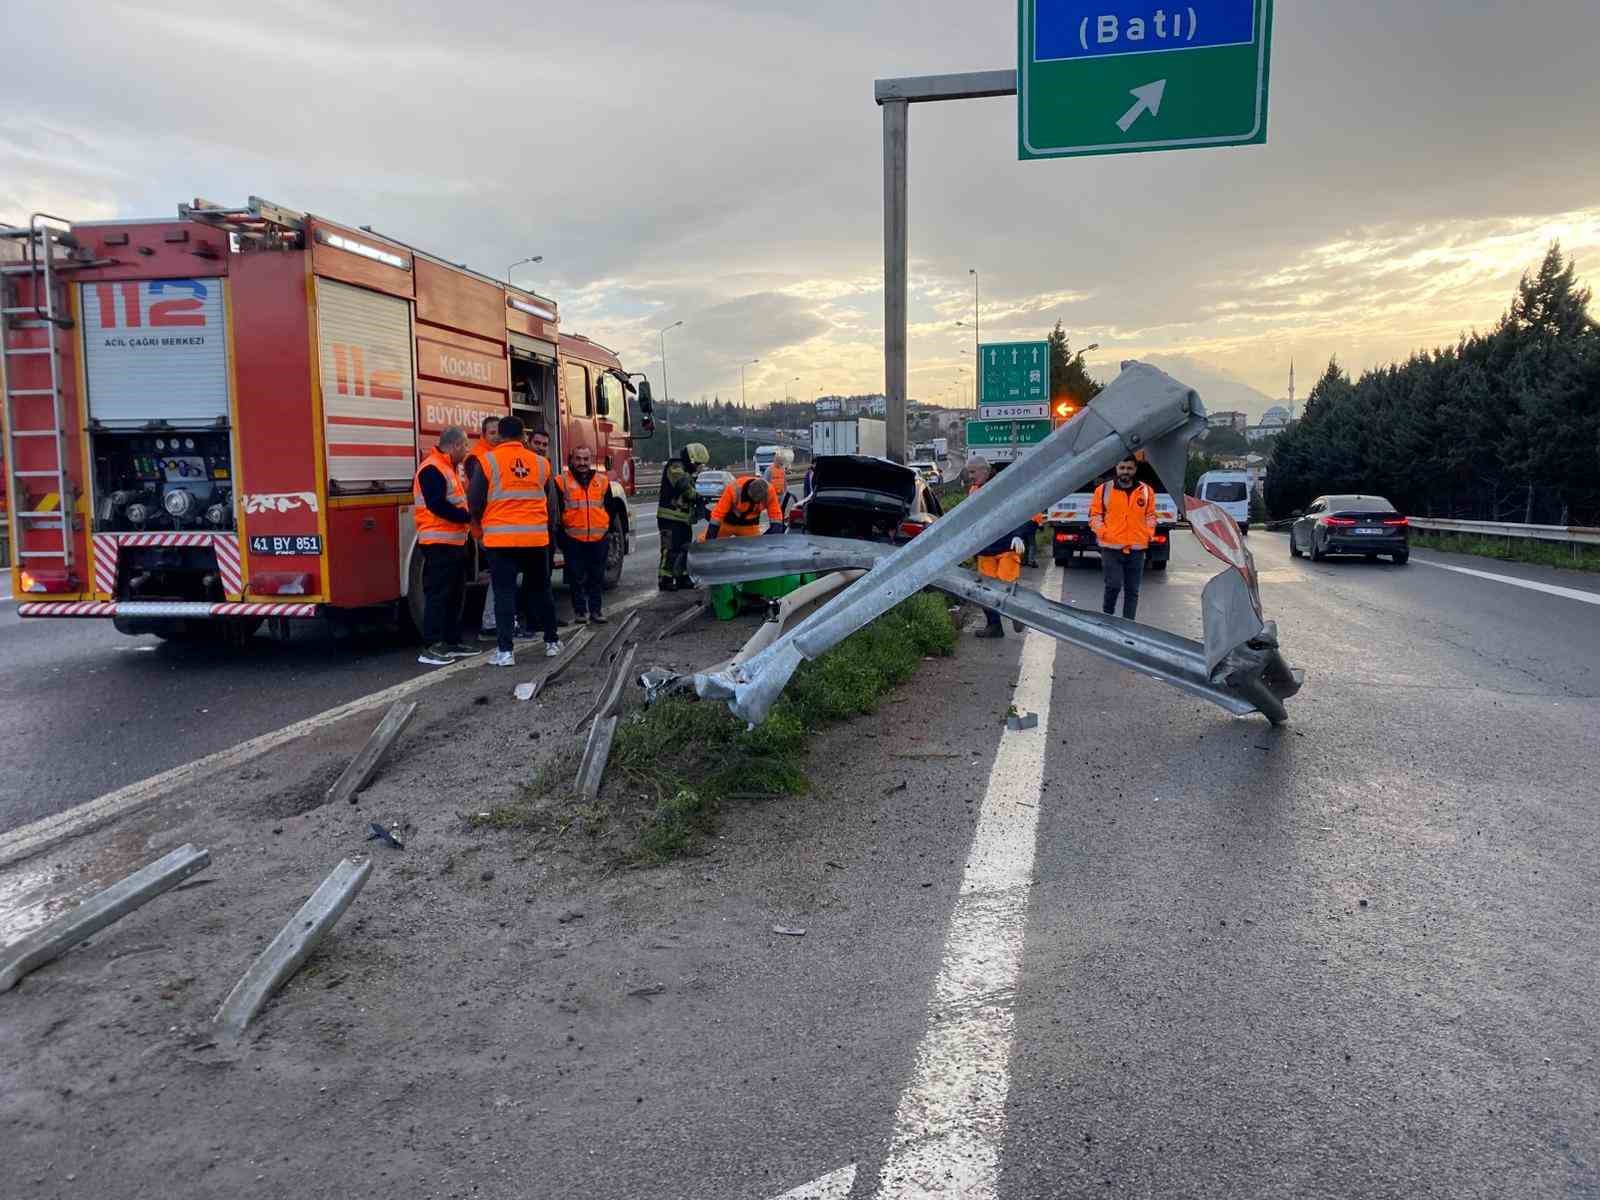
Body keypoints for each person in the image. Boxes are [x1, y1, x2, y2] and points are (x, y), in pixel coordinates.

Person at [468, 415, 562, 665]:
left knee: (504, 594)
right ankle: (552, 642)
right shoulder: (541, 464)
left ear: (499, 435)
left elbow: (474, 502)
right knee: (542, 591)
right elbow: (550, 503)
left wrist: (479, 532)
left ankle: (505, 652)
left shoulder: (487, 461)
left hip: (501, 541)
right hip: (535, 540)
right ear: (523, 437)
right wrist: (549, 531)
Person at [413, 427, 482, 666]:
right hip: (438, 544)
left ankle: (452, 642)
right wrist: (466, 518)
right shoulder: (432, 468)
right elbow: (436, 505)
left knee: (455, 596)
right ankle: (432, 646)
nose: (467, 450)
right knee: (438, 596)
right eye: (465, 446)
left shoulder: (448, 467)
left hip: (454, 543)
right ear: (453, 445)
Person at [1090, 454, 1157, 621]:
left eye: (1129, 468)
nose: (1125, 471)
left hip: (1137, 549)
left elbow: (1151, 516)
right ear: (1116, 469)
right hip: (1111, 548)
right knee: (1113, 586)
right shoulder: (1103, 490)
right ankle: (1107, 618)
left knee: (1132, 591)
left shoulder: (1147, 491)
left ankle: (1129, 626)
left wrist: (1149, 532)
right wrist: (1104, 533)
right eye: (1122, 468)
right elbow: (1095, 516)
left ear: (1135, 469)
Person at [965, 456, 1026, 639]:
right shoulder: (974, 490)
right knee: (985, 592)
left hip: (1006, 546)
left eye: (973, 472)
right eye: (969, 472)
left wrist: (1019, 534)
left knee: (1006, 587)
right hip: (985, 549)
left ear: (984, 470)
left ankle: (1017, 613)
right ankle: (994, 626)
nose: (970, 476)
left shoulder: (1004, 486)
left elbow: (1020, 511)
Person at [554, 445, 611, 625]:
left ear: (591, 460)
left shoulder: (602, 481)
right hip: (573, 538)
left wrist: (605, 530)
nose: (582, 463)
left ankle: (596, 611)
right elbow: (557, 511)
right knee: (575, 577)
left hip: (598, 537)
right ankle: (580, 612)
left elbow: (609, 508)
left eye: (585, 459)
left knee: (597, 576)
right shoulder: (561, 481)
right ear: (572, 460)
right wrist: (562, 536)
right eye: (578, 459)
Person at [657, 442, 709, 590]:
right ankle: (665, 579)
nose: (699, 468)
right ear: (692, 459)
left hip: (683, 519)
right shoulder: (675, 466)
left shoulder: (686, 469)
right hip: (669, 518)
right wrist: (697, 497)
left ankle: (682, 577)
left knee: (685, 548)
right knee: (670, 549)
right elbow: (683, 486)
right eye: (698, 464)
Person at [706, 474, 781, 539]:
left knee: (757, 548)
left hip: (749, 525)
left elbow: (775, 515)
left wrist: (774, 532)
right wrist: (710, 538)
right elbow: (717, 515)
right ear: (748, 491)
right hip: (728, 523)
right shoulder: (733, 488)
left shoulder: (770, 492)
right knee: (703, 541)